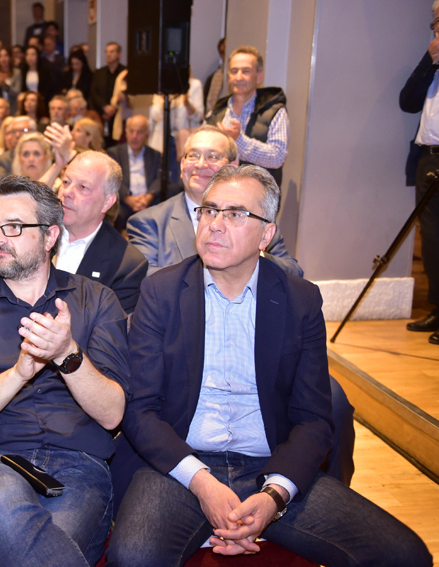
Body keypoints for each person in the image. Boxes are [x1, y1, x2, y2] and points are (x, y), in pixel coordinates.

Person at [107, 164, 432, 567]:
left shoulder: (300, 300)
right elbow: (141, 410)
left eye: (235, 214)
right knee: (134, 556)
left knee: (404, 554)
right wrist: (203, 484)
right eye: (209, 211)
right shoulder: (162, 291)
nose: (215, 225)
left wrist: (274, 496)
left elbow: (314, 418)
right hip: (182, 465)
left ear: (266, 235)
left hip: (268, 465)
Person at [0, 174, 129, 567]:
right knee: (5, 502)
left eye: (13, 227)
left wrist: (67, 354)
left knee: (44, 541)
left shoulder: (96, 300)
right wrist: (18, 374)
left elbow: (113, 413)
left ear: (49, 236)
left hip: (79, 463)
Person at [128, 125, 300, 278]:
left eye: (213, 156)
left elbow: (294, 272)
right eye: (193, 155)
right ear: (182, 165)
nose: (200, 164)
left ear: (232, 167)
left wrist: (251, 255)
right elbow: (146, 280)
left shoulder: (255, 218)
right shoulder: (150, 222)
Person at [56, 151, 147, 315]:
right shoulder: (34, 234)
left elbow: (112, 329)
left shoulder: (127, 265)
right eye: (65, 182)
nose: (67, 192)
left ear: (107, 202)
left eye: (83, 187)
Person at [400, 1, 439, 345]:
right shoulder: (433, 60)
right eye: (435, 21)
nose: (436, 27)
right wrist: (430, 60)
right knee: (432, 239)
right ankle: (438, 308)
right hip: (428, 158)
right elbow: (408, 101)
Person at [206, 45, 288, 185]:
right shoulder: (218, 110)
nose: (238, 77)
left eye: (246, 71)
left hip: (258, 194)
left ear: (259, 77)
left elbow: (277, 157)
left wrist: (238, 140)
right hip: (221, 191)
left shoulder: (274, 111)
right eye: (234, 71)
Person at [107, 115, 161, 229]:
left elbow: (159, 178)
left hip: (148, 202)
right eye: (131, 131)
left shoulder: (155, 155)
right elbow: (112, 178)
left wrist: (148, 198)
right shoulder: (114, 153)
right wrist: (128, 199)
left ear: (147, 134)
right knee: (114, 214)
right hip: (123, 202)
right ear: (126, 132)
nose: (134, 136)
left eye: (139, 132)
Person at [90, 42, 125, 143]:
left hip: (119, 114)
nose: (108, 54)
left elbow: (125, 94)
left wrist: (114, 108)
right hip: (102, 113)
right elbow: (93, 92)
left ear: (119, 54)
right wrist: (105, 107)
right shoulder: (99, 72)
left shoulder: (125, 72)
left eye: (112, 51)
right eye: (106, 52)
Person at [0, 115, 36, 180]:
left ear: (34, 132)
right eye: (14, 131)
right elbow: (1, 185)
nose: (17, 135)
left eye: (23, 130)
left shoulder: (44, 156)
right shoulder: (3, 160)